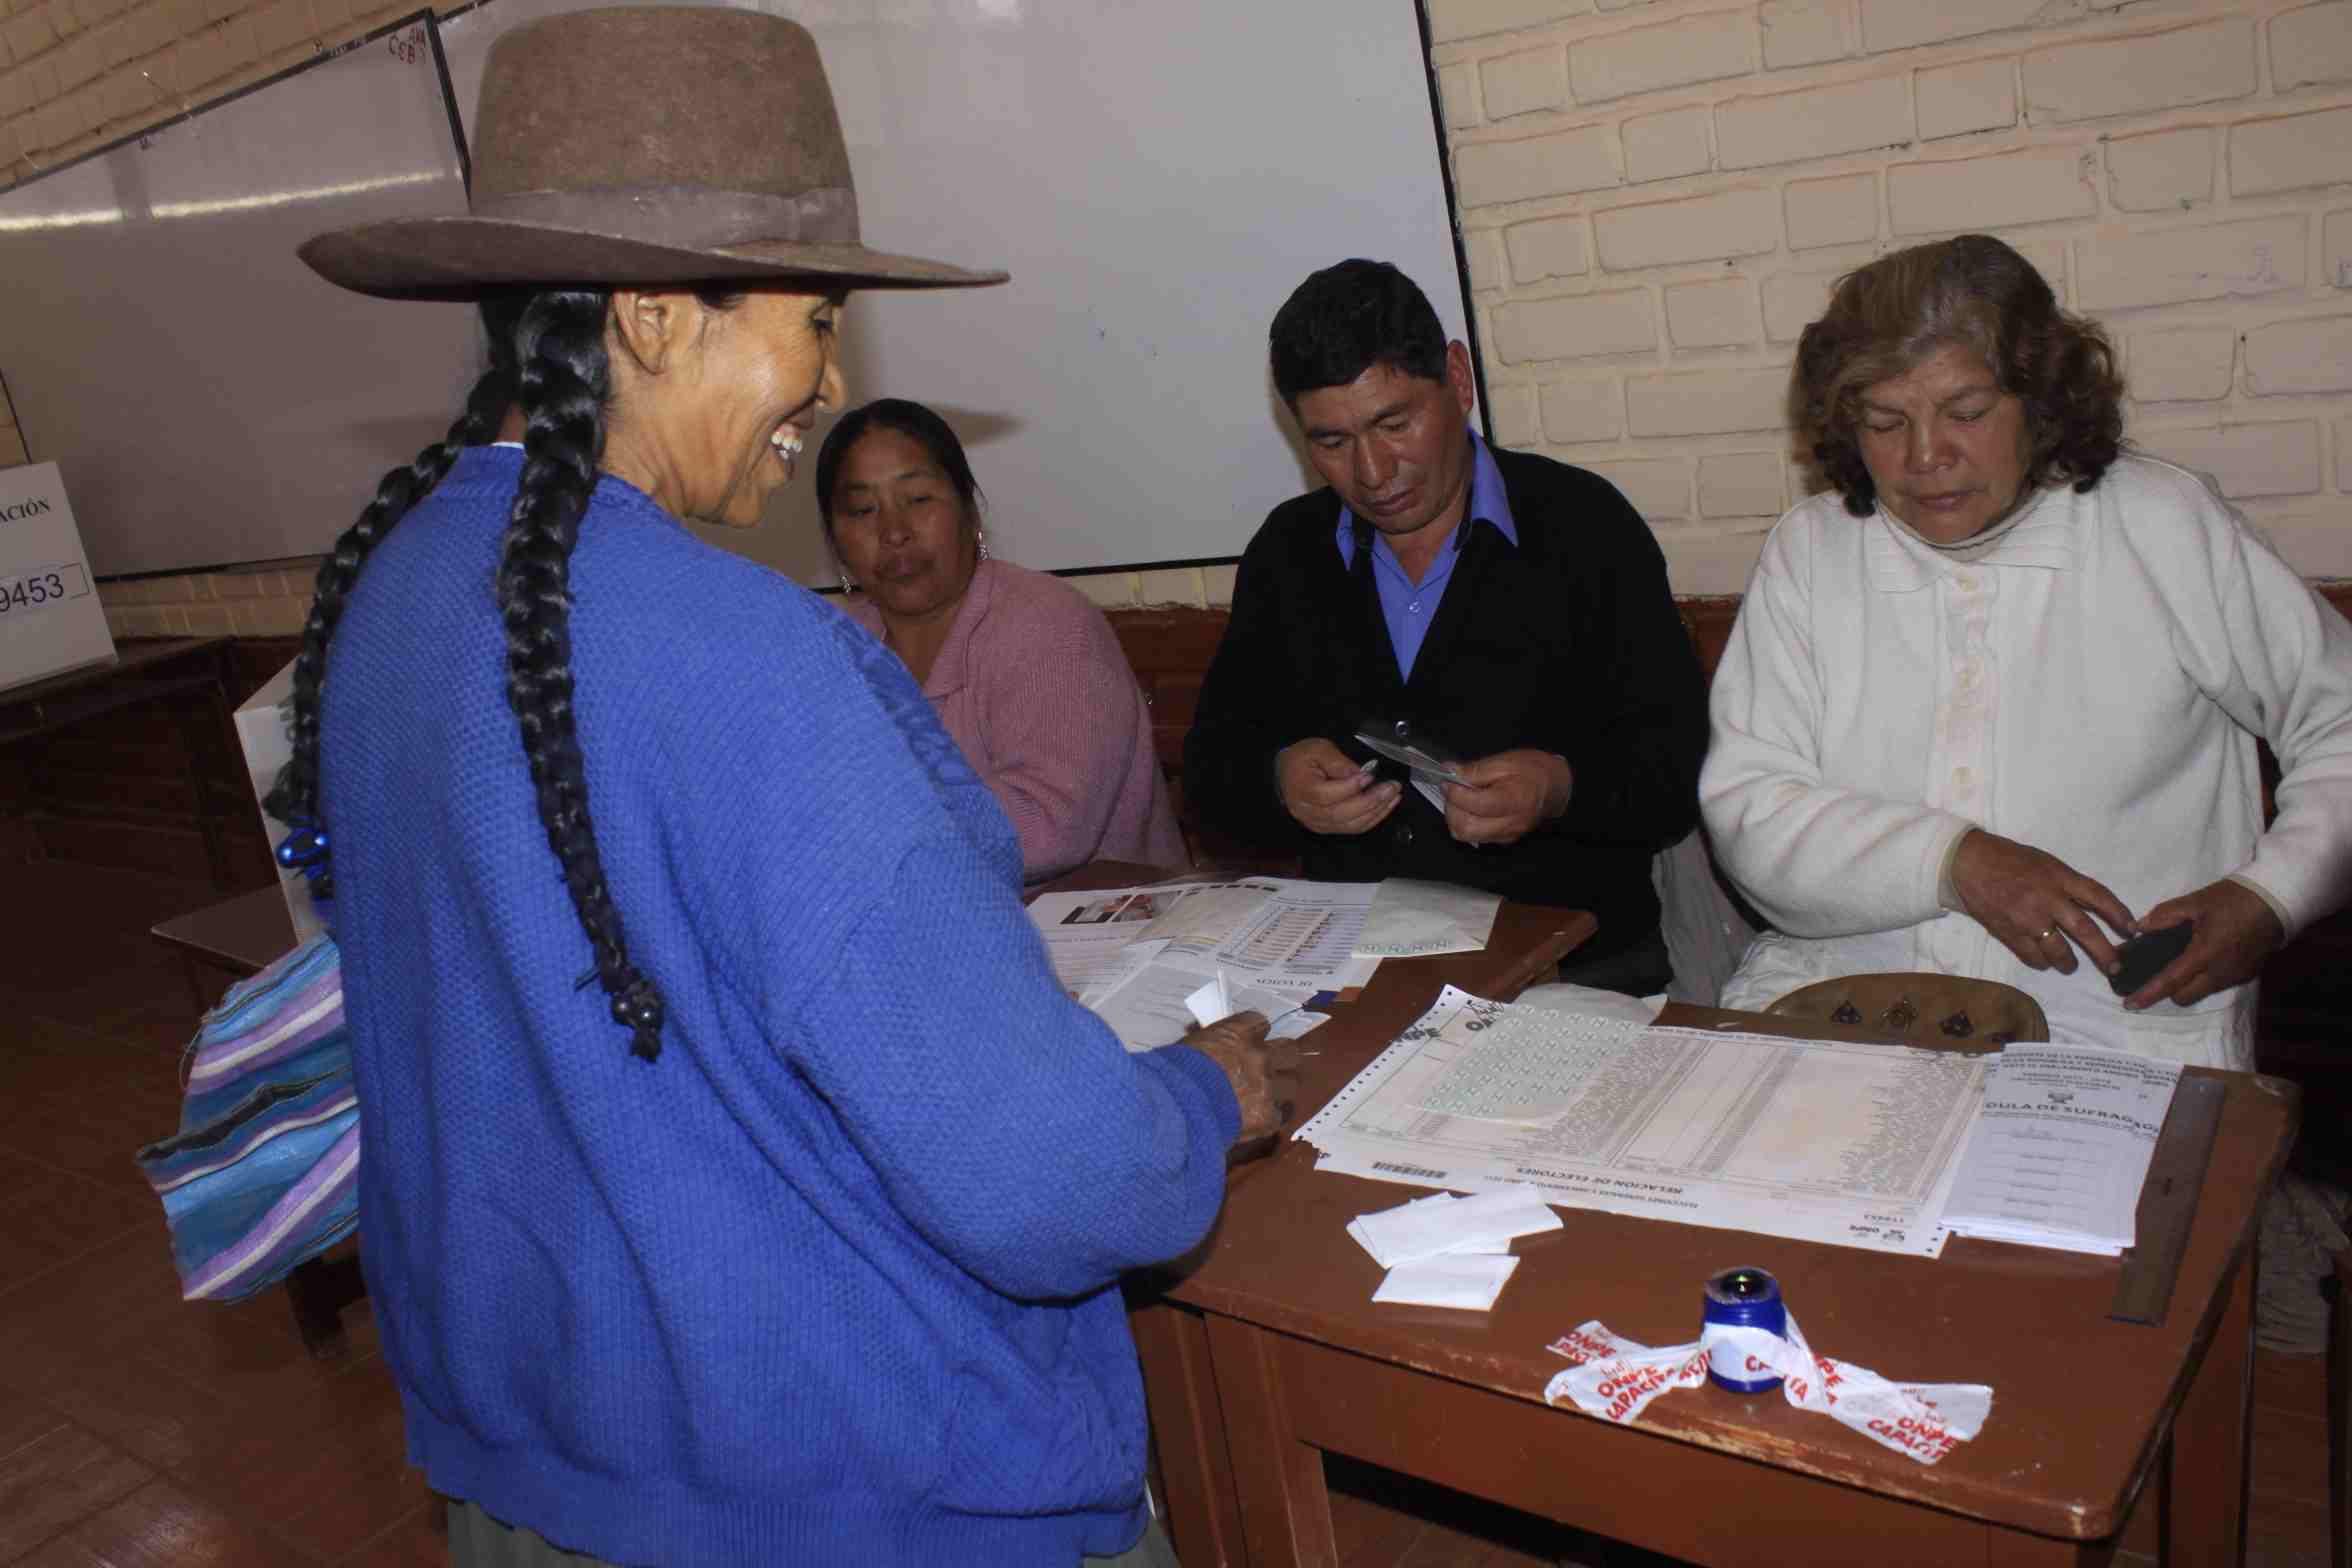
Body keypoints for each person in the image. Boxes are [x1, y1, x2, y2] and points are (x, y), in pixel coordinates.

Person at [277, 11, 1292, 1565]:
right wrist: (1190, 1103)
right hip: (836, 1481)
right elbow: (1036, 1173)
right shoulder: (757, 656)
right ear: (658, 317)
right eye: (815, 323)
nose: (825, 384)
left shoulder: (384, 606)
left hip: (527, 1459)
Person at [1702, 233, 2352, 1066]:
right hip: (1845, 990)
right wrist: (1954, 862)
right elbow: (1750, 808)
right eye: (1884, 421)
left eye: (1967, 412)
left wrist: (2273, 894)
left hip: (2110, 1015)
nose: (1925, 456)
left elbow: (2338, 722)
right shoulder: (1812, 552)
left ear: (2042, 403)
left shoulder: (2161, 525)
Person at [1183, 259, 1709, 993]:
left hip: (1573, 966)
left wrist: (1560, 789)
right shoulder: (1288, 552)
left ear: (1458, 381)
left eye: (1395, 423)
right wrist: (1279, 781)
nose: (1372, 472)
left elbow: (1677, 772)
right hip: (1358, 968)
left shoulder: (1585, 528)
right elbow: (1210, 780)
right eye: (1331, 443)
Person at [818, 399, 1188, 883]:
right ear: (835, 543)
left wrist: (857, 824)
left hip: (1101, 933)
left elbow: (1048, 827)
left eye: (919, 499)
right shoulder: (833, 650)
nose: (894, 532)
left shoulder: (1048, 623)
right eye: (863, 510)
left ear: (969, 510)